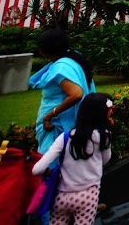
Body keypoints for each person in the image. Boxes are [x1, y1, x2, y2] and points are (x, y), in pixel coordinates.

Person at [32, 93, 113, 225]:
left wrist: (47, 172)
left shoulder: (64, 137)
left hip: (61, 197)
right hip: (88, 196)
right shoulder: (103, 136)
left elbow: (36, 170)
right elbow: (105, 160)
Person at [29, 30, 96, 159]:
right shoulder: (74, 58)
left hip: (58, 125)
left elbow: (76, 94)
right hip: (72, 123)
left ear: (43, 50)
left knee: (51, 163)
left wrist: (49, 115)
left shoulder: (61, 68)